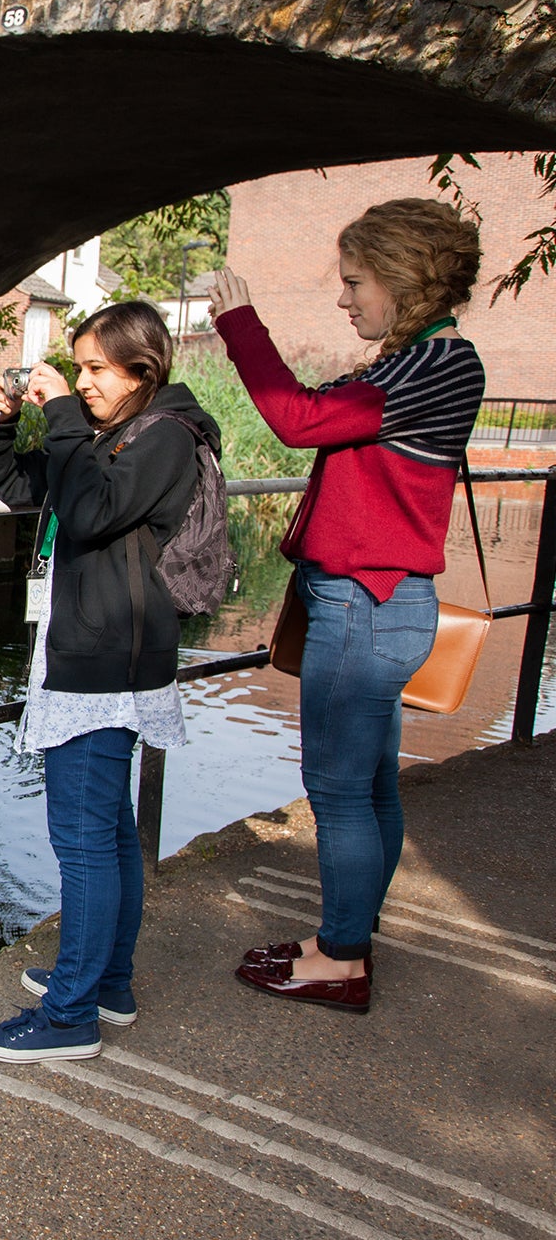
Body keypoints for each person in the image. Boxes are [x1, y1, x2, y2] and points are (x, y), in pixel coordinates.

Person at [209, 198, 485, 1014]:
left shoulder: (434, 367)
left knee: (337, 791)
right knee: (369, 787)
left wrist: (240, 324)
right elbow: (320, 414)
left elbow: (297, 421)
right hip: (374, 601)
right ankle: (347, 935)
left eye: (356, 282)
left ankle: (342, 958)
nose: (345, 299)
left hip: (366, 605)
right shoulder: (411, 364)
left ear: (406, 281)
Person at [0, 301, 222, 1061]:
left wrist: (68, 417)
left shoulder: (166, 438)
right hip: (98, 654)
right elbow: (9, 483)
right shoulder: (116, 435)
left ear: (143, 373)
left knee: (81, 843)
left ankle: (71, 1014)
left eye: (96, 370)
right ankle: (107, 983)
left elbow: (90, 510)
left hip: (104, 665)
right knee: (107, 836)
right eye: (78, 369)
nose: (84, 382)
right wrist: (5, 422)